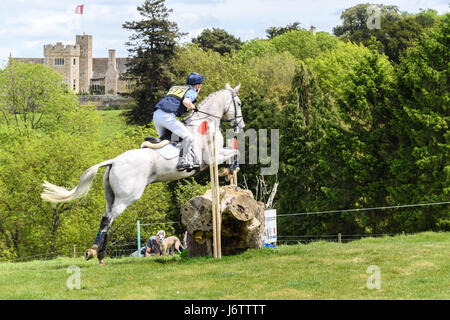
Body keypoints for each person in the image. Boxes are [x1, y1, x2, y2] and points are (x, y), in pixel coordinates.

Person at [152, 72, 204, 171]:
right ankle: (182, 162)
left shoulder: (175, 88)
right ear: (197, 85)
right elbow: (186, 102)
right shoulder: (192, 91)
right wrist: (194, 107)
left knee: (168, 141)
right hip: (167, 116)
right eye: (200, 85)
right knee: (188, 137)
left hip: (156, 115)